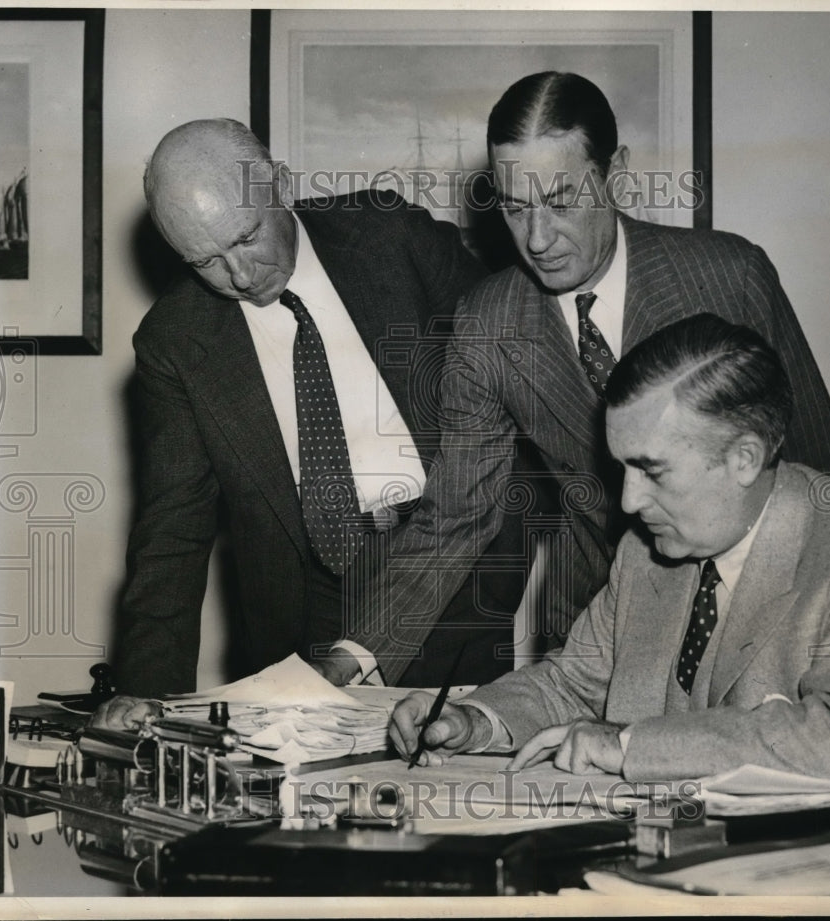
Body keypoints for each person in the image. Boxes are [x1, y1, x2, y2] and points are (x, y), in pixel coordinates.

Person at [316, 72, 830, 687]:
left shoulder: (729, 277)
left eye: (562, 202)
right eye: (516, 209)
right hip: (593, 634)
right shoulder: (488, 321)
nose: (538, 240)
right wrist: (356, 655)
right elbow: (455, 517)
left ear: (615, 174)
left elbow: (825, 474)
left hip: (749, 622)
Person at [93, 118, 537, 729]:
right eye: (205, 261)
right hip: (300, 606)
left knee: (450, 777)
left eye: (246, 237)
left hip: (447, 569)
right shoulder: (174, 342)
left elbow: (518, 371)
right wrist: (146, 691)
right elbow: (173, 529)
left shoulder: (391, 237)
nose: (241, 277)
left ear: (278, 180)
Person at [389, 314, 830, 783]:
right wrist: (475, 720)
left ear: (744, 458)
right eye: (622, 468)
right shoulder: (648, 551)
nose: (628, 501)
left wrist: (629, 746)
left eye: (651, 470)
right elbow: (571, 683)